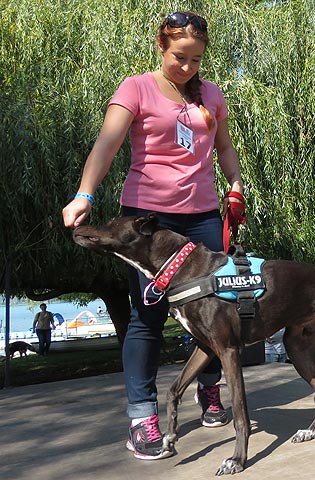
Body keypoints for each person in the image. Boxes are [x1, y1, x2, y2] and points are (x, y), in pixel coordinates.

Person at [61, 11, 243, 461]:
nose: (188, 67)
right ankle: (142, 417)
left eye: (197, 59)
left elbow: (224, 148)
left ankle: (209, 391)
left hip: (202, 216)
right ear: (161, 48)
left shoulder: (212, 96)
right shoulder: (135, 87)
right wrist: (85, 194)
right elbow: (107, 143)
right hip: (147, 222)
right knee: (147, 315)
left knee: (214, 309)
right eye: (180, 57)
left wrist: (235, 185)